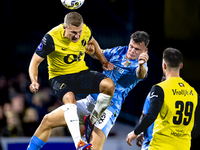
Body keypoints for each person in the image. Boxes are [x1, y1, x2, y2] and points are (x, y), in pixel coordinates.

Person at [27, 12, 115, 150]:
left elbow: (93, 42)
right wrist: (34, 81)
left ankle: (91, 121)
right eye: (74, 32)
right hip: (59, 77)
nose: (78, 36)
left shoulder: (85, 30)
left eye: (79, 32)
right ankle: (79, 143)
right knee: (69, 98)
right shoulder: (51, 38)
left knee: (109, 85)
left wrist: (103, 61)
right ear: (64, 28)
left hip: (81, 74)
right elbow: (34, 62)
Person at [77, 31, 150, 150]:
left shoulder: (140, 65)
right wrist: (92, 52)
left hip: (109, 107)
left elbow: (141, 74)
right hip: (92, 99)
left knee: (94, 147)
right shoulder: (120, 51)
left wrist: (142, 64)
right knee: (49, 120)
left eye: (137, 49)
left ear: (144, 50)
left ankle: (86, 135)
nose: (132, 50)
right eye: (131, 46)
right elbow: (100, 54)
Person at [126, 48, 200, 150]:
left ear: (164, 65)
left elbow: (151, 114)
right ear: (181, 65)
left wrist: (135, 133)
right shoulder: (193, 92)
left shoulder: (160, 89)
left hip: (160, 145)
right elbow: (195, 126)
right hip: (183, 146)